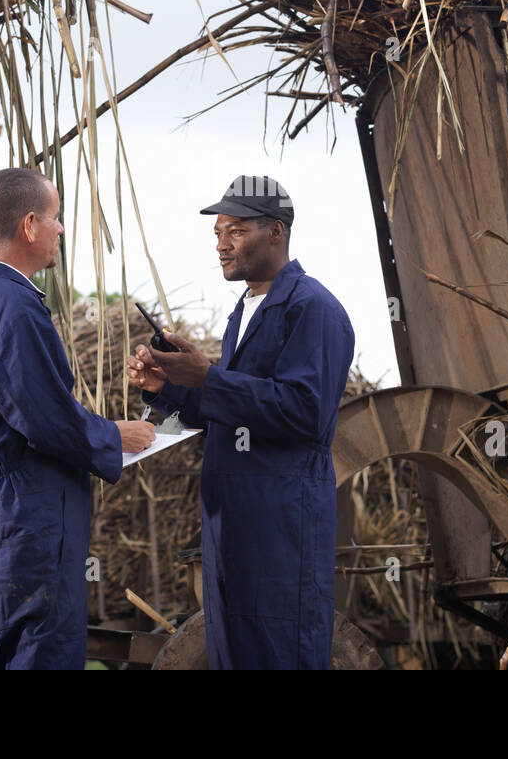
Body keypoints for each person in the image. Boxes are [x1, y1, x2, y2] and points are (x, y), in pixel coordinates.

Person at [126, 175, 355, 669]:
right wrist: (166, 387)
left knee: (281, 651)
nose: (221, 244)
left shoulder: (313, 308)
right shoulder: (244, 311)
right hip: (230, 520)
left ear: (276, 232)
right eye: (217, 233)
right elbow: (233, 412)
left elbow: (305, 414)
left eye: (235, 231)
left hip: (280, 520)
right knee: (233, 653)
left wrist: (209, 376)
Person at [0, 167, 155, 669]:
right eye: (55, 219)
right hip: (27, 536)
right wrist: (116, 434)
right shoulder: (12, 306)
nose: (60, 230)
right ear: (29, 225)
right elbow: (43, 418)